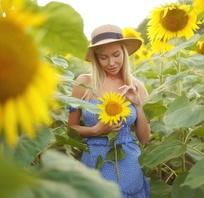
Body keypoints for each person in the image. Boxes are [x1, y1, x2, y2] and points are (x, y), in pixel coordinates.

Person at [67, 24, 150, 198]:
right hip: (95, 164)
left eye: (116, 55)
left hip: (129, 165)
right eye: (103, 57)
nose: (111, 63)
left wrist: (137, 104)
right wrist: (95, 130)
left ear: (124, 53)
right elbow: (70, 130)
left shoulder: (135, 86)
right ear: (96, 58)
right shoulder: (84, 84)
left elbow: (144, 138)